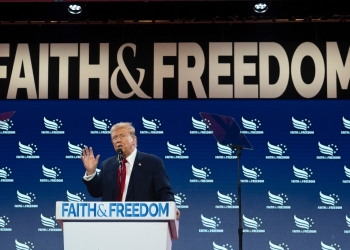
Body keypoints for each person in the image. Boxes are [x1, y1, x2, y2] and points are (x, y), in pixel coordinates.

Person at [81, 122, 180, 220]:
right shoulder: (107, 165)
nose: (118, 140)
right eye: (114, 138)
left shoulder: (152, 163)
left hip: (142, 223)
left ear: (133, 140)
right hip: (111, 224)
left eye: (122, 136)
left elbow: (164, 192)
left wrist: (171, 207)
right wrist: (91, 172)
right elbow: (96, 192)